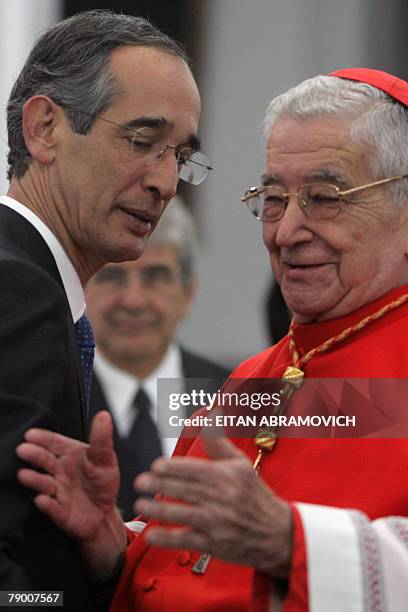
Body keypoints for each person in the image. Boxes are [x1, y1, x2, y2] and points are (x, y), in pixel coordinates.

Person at [16, 67, 408, 611]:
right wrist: (116, 546)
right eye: (273, 199)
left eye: (325, 197)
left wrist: (291, 542)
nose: (286, 231)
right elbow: (189, 570)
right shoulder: (253, 381)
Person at [2, 7, 207, 609]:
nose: (166, 182)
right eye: (142, 142)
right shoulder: (21, 292)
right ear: (44, 128)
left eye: (181, 156)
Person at [86, 196, 230, 520]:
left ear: (187, 293)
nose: (134, 300)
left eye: (155, 277)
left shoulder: (235, 393)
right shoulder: (51, 395)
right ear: (83, 289)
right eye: (113, 277)